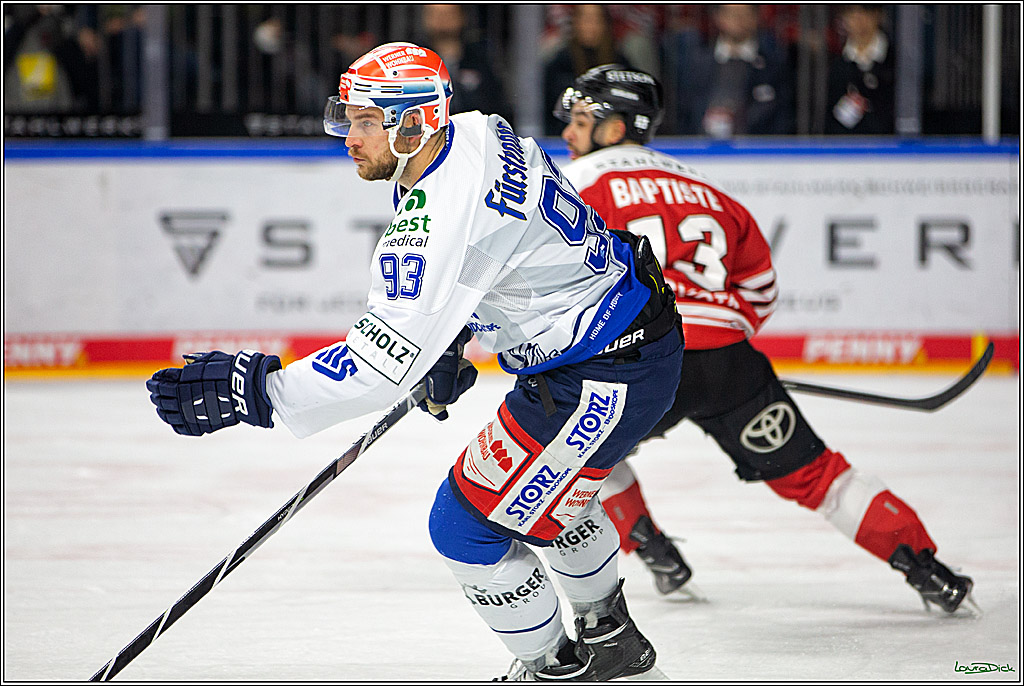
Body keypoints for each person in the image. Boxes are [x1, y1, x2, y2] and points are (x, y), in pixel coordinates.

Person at [146, 43, 684, 680]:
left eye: (367, 122)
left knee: (464, 528)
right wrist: (452, 338)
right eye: (348, 118)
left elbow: (378, 368)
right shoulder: (479, 130)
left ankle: (551, 664)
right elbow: (500, 250)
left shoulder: (433, 222)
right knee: (548, 497)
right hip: (608, 341)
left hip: (605, 371)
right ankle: (610, 636)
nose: (350, 136)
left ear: (417, 121)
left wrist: (258, 392)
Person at [554, 64, 977, 615]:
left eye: (581, 120)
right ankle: (928, 569)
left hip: (640, 361)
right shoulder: (706, 189)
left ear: (614, 128)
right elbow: (758, 293)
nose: (567, 133)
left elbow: (563, 283)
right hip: (731, 365)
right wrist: (717, 342)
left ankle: (650, 547)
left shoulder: (576, 186)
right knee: (819, 476)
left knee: (578, 452)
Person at [675, 4, 795, 137]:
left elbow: (782, 115)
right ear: (718, 17)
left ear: (755, 17)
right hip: (702, 151)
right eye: (731, 13)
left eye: (744, 14)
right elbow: (685, 111)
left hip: (756, 151)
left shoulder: (773, 64)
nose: (738, 19)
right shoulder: (697, 62)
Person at [542, 5, 633, 136]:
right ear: (575, 23)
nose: (591, 26)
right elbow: (551, 114)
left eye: (597, 19)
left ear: (605, 24)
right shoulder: (559, 64)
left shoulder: (620, 63)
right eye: (586, 19)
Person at [420, 4, 512, 123]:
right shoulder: (415, 62)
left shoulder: (481, 59)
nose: (441, 19)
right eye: (435, 14)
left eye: (448, 13)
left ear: (462, 16)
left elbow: (499, 107)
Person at [825, 4, 895, 135]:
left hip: (890, 149)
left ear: (878, 15)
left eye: (865, 12)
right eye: (852, 13)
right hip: (848, 149)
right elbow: (830, 120)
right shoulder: (836, 66)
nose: (859, 20)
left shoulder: (896, 61)